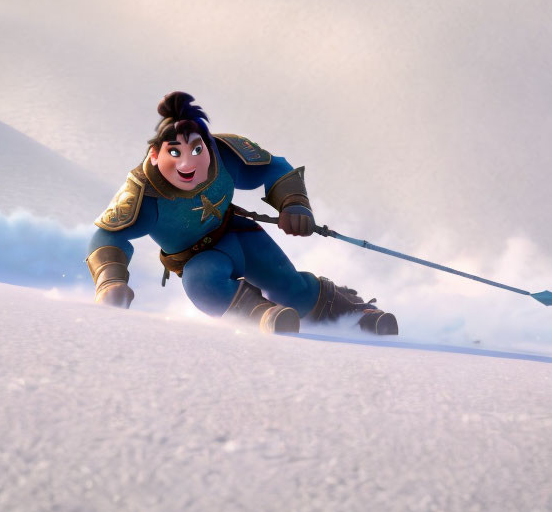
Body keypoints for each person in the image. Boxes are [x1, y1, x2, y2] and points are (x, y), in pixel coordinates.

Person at [85, 91, 397, 335]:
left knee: (290, 287)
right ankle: (261, 315)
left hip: (240, 235)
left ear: (207, 145)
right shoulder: (141, 192)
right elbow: (108, 233)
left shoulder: (225, 153)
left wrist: (294, 204)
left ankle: (356, 316)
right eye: (174, 153)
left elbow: (275, 167)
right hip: (199, 259)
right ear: (155, 155)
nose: (187, 164)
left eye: (196, 150)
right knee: (202, 283)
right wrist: (110, 281)